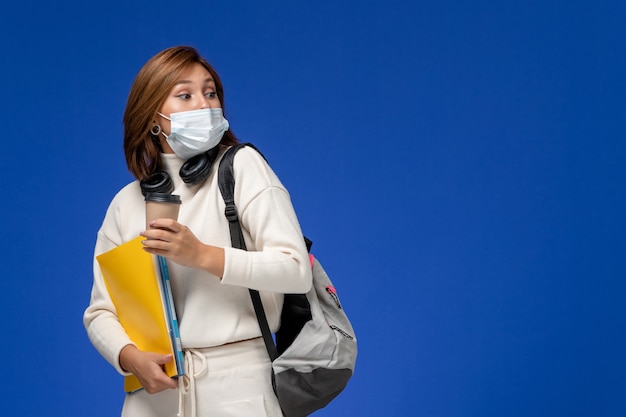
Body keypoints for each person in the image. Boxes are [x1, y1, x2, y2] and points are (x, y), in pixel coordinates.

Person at [83, 45, 312, 417]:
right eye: (185, 95)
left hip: (239, 387)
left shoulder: (243, 168)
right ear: (152, 116)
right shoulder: (126, 204)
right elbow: (100, 311)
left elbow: (295, 269)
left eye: (210, 92)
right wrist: (129, 358)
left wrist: (202, 255)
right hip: (152, 397)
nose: (205, 105)